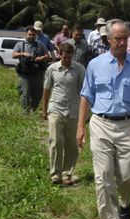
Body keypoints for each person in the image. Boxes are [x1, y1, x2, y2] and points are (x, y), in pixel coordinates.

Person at [76, 20, 130, 219]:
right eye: (117, 38)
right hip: (100, 124)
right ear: (108, 40)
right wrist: (81, 127)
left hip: (128, 125)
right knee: (103, 175)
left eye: (124, 38)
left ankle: (125, 201)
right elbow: (86, 96)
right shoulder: (95, 65)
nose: (121, 42)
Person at [42, 43, 85, 185]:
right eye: (64, 57)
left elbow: (84, 91)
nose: (67, 59)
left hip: (73, 111)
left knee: (72, 144)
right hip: (55, 108)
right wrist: (44, 108)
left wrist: (85, 112)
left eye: (69, 57)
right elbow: (47, 89)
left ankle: (67, 173)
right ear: (60, 54)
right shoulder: (52, 69)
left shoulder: (79, 69)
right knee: (56, 140)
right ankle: (55, 174)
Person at [12, 26, 49, 114]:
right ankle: (25, 113)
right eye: (29, 34)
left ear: (35, 35)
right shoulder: (20, 44)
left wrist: (41, 57)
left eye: (33, 35)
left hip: (37, 74)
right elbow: (13, 55)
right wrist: (23, 54)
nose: (31, 36)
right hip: (24, 74)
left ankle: (33, 109)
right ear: (26, 34)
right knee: (24, 94)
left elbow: (47, 55)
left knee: (37, 94)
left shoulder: (40, 45)